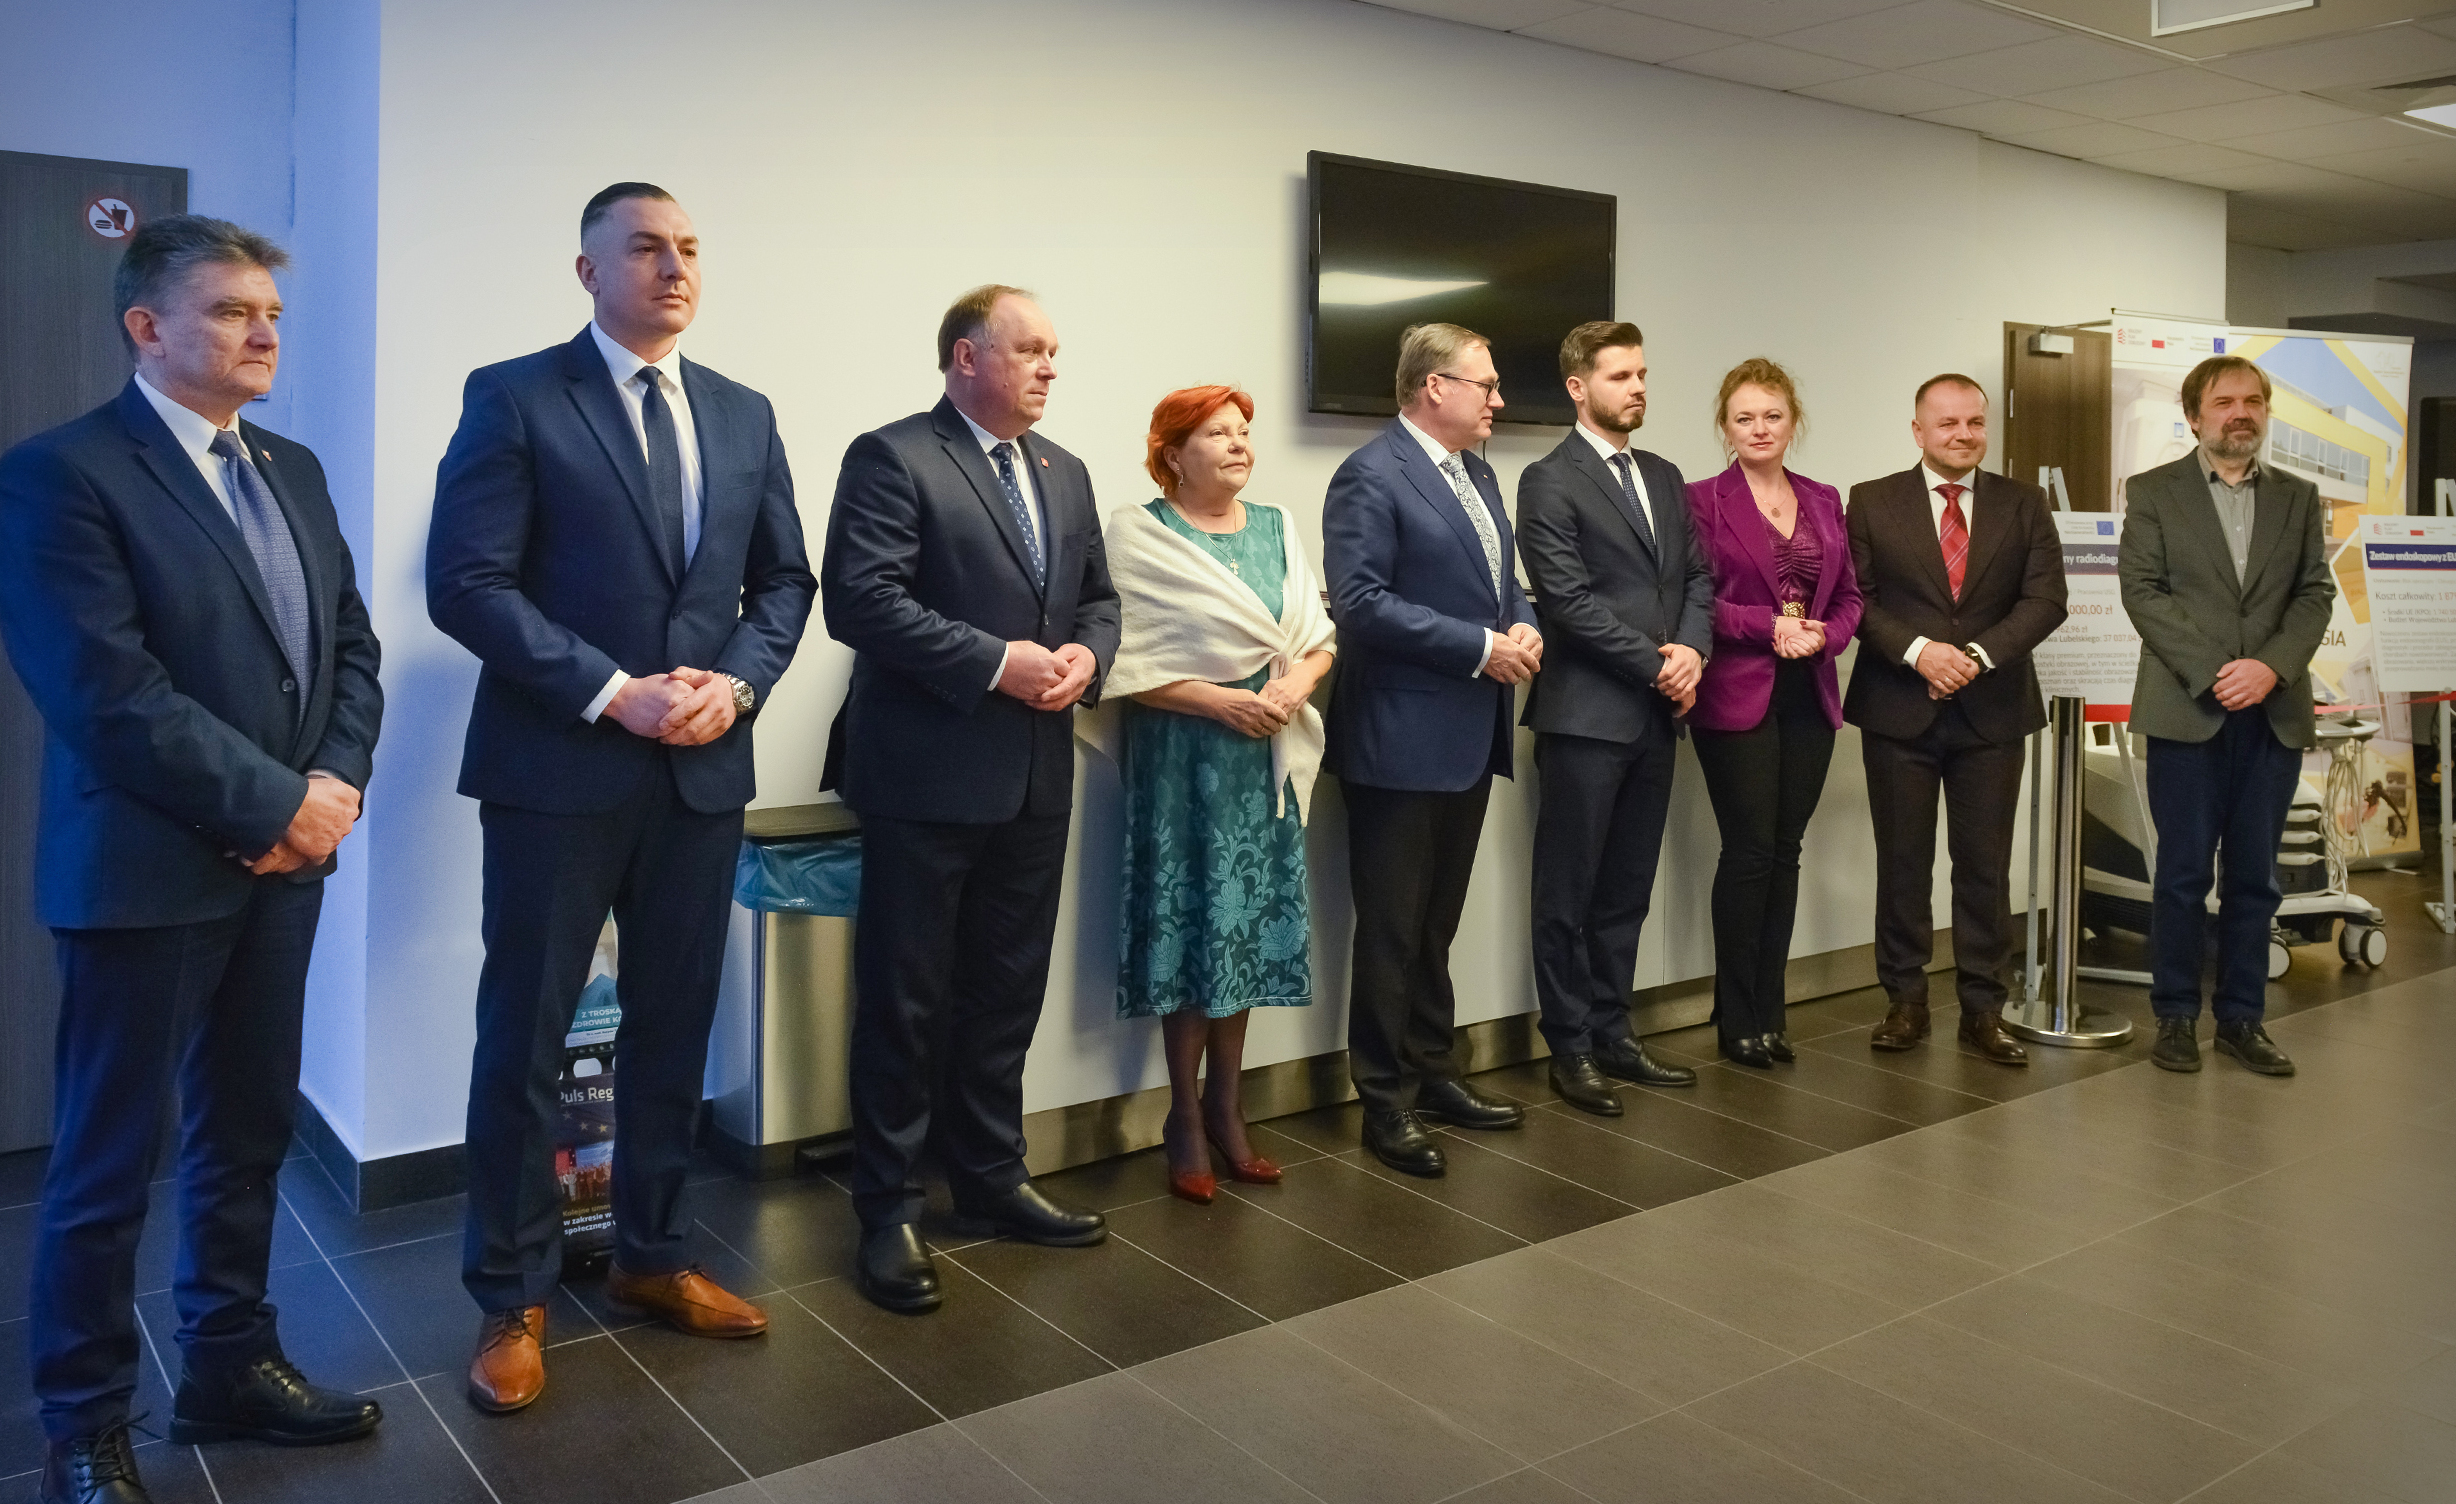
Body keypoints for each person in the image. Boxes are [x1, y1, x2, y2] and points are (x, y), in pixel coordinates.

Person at [0, 215, 386, 1504]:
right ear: (145, 326)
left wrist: (332, 788)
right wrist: (280, 804)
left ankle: (227, 1360)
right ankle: (84, 1424)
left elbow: (348, 647)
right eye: (228, 310)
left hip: (284, 867)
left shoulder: (292, 467)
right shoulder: (61, 474)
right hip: (145, 868)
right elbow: (107, 693)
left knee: (247, 1134)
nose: (262, 332)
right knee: (109, 1165)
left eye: (270, 311)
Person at [428, 183, 813, 1413]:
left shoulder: (743, 411)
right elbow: (467, 583)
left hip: (699, 770)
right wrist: (611, 692)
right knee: (528, 1036)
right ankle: (512, 1293)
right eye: (645, 248)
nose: (674, 265)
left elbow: (784, 584)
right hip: (556, 768)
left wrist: (733, 688)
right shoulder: (515, 396)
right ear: (587, 271)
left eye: (688, 247)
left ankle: (651, 1254)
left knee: (672, 1024)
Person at [820, 285, 1121, 1311]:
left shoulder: (1065, 470)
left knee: (1005, 989)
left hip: (1035, 774)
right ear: (965, 357)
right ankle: (888, 1208)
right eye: (1029, 349)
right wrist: (998, 662)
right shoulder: (894, 456)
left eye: (1053, 351)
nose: (1049, 367)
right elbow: (861, 601)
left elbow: (1098, 600)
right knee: (903, 1000)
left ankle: (992, 1177)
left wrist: (1087, 655)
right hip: (925, 774)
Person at [1085, 387, 1335, 1202]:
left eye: (1243, 432)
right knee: (1193, 925)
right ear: (1172, 453)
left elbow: (1316, 638)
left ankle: (1229, 1108)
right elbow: (1123, 662)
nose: (1238, 444)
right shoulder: (1139, 533)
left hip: (1264, 761)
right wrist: (1219, 702)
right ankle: (1184, 1117)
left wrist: (1295, 684)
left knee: (1245, 929)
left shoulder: (1277, 527)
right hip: (1184, 763)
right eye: (1217, 433)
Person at [1322, 322, 1542, 1177]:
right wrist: (1481, 648)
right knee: (1391, 931)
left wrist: (1522, 623)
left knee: (1435, 925)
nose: (1498, 400)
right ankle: (1383, 1100)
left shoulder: (1477, 472)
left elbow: (1499, 585)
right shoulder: (1370, 474)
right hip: (1398, 737)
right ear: (1433, 388)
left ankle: (1434, 1071)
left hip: (1467, 733)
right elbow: (1360, 602)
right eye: (1485, 385)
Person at [2119, 356, 2334, 1077]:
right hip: (2188, 709)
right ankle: (2176, 1016)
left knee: (2255, 879)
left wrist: (2269, 667)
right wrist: (2219, 671)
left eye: (2253, 401)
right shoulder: (2154, 491)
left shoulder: (2299, 497)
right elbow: (2143, 590)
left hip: (2273, 712)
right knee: (2182, 876)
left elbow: (2314, 593)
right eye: (2223, 402)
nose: (2240, 413)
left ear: (2265, 411)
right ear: (2193, 416)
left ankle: (2243, 1019)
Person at [1845, 375, 2066, 1067]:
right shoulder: (1871, 500)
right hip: (1898, 709)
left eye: (1974, 422)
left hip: (1992, 713)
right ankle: (1905, 1001)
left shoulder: (2023, 504)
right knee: (1902, 865)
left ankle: (1983, 1009)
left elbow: (2046, 600)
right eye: (1947, 423)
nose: (1964, 434)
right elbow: (1856, 598)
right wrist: (1920, 653)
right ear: (1918, 431)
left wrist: (1974, 656)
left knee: (1984, 869)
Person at [1514, 322, 1704, 1116]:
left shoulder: (1663, 474)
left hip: (1656, 719)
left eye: (1642, 373)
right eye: (1621, 375)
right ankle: (1570, 1047)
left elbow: (1698, 578)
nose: (1638, 387)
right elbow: (1567, 602)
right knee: (1568, 893)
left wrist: (1692, 650)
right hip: (1585, 717)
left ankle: (1614, 1031)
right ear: (1577, 387)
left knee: (1627, 890)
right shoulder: (1547, 480)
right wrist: (1660, 664)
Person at [1685, 359, 1862, 1067]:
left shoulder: (1823, 498)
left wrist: (1827, 635)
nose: (1759, 429)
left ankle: (1769, 1010)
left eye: (1772, 416)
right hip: (1737, 693)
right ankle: (1736, 1016)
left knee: (1786, 851)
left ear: (1793, 422)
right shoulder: (1703, 500)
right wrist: (1770, 626)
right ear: (1725, 427)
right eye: (1744, 418)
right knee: (1750, 852)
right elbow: (1695, 601)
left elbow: (1849, 597)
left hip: (1809, 692)